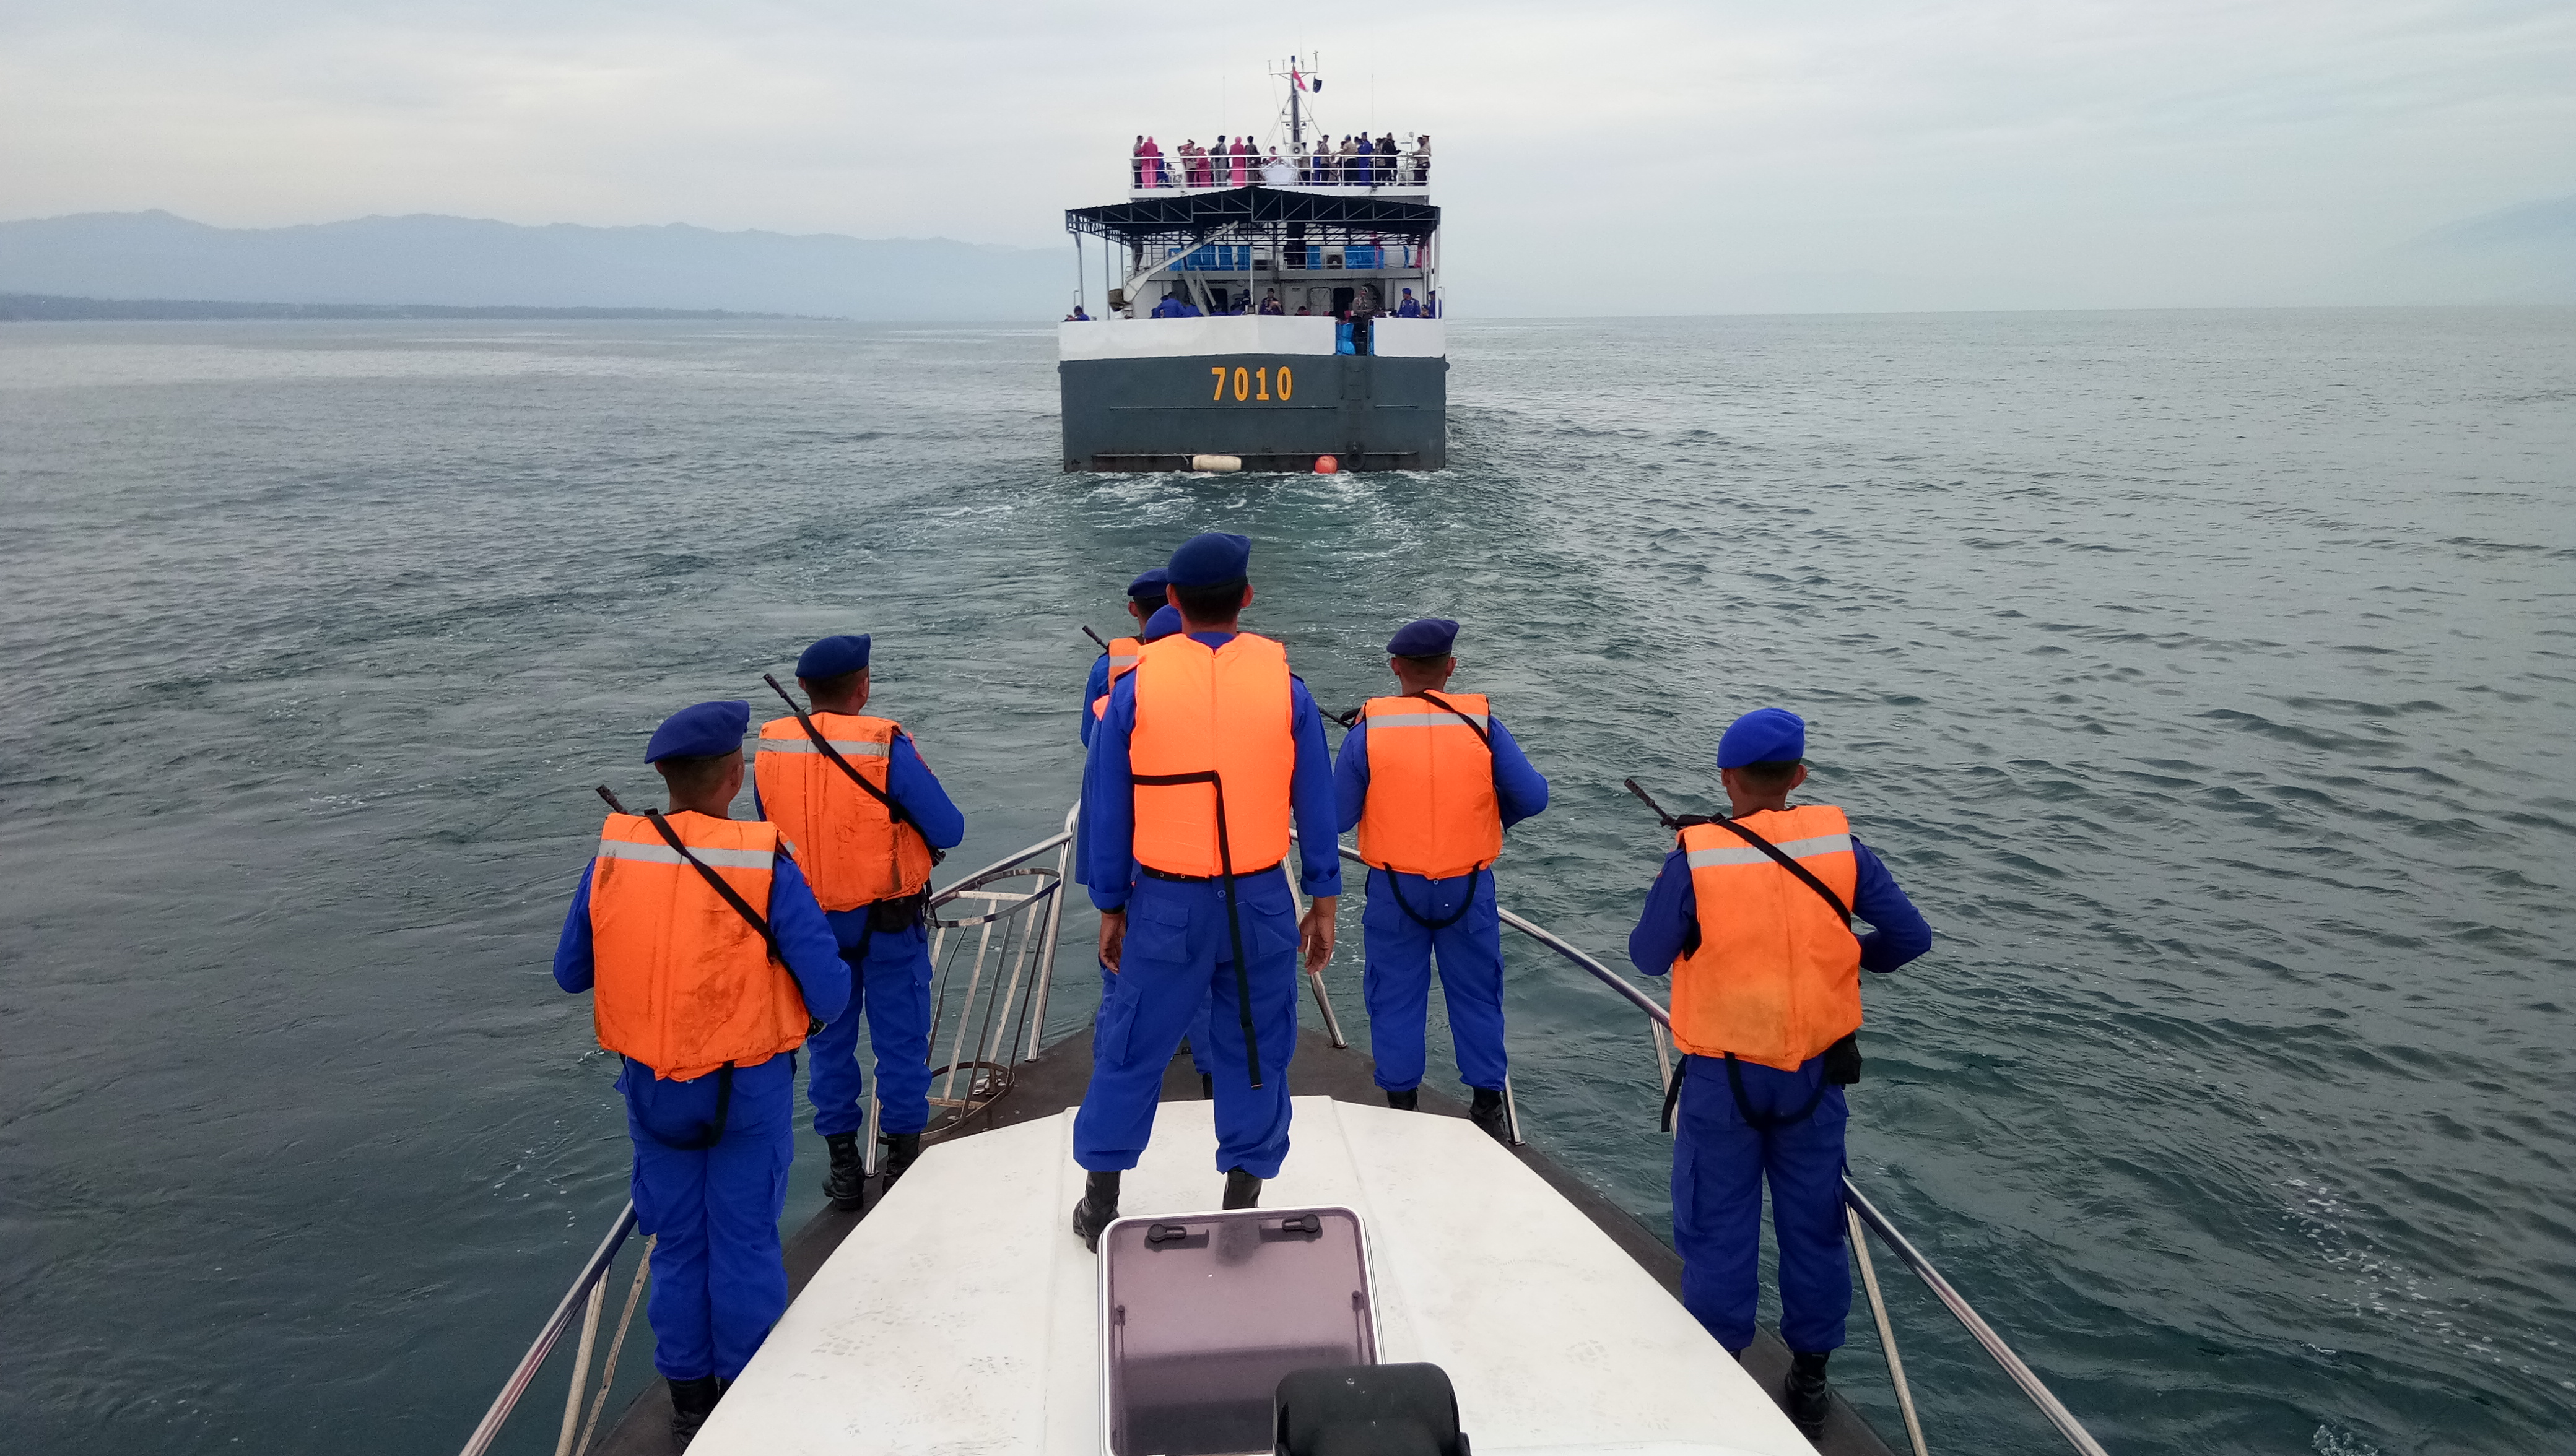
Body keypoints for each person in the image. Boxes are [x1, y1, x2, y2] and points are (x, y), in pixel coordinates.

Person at [1625, 707, 1933, 1437]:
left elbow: (1645, 955)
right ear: (1798, 776)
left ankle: (1717, 1372)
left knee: (1715, 1221)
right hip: (1813, 1081)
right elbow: (1909, 936)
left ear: (1725, 779)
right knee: (1813, 1226)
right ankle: (1810, 1379)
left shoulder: (1693, 857)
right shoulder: (1843, 851)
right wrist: (1844, 956)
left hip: (1722, 1079)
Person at [552, 700, 850, 1445]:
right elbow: (831, 990)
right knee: (745, 1239)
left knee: (680, 1244)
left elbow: (570, 973)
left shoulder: (611, 859)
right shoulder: (762, 862)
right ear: (735, 775)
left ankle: (689, 1398)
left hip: (654, 1094)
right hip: (745, 1088)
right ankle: (747, 1396)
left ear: (665, 779)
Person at [1068, 531, 1342, 1246]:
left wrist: (1108, 904)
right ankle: (1241, 1200)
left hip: (1164, 904)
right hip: (1258, 901)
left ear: (1175, 604)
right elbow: (1317, 806)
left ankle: (1101, 1202)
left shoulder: (1130, 691)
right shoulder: (1289, 691)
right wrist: (1323, 901)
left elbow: (1107, 809)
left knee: (1130, 1048)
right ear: (1246, 599)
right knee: (1256, 1048)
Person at [752, 634, 966, 1211]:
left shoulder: (770, 751)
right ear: (864, 685)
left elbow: (766, 837)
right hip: (889, 924)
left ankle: (845, 1172)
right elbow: (949, 830)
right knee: (900, 1045)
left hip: (814, 931)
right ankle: (900, 1164)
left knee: (829, 1049)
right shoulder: (883, 747)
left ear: (801, 690)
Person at [1333, 618, 1548, 1138]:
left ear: (1395, 668)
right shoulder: (1483, 726)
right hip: (1467, 888)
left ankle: (1403, 1108)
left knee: (1394, 994)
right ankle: (1486, 1109)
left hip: (1396, 890)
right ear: (1451, 668)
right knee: (1476, 994)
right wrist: (1492, 816)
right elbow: (1534, 797)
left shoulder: (1368, 731)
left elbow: (1336, 816)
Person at [1081, 568, 1170, 747]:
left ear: (1133, 609)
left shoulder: (1105, 667)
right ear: (1179, 603)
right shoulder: (1209, 655)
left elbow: (1089, 737)